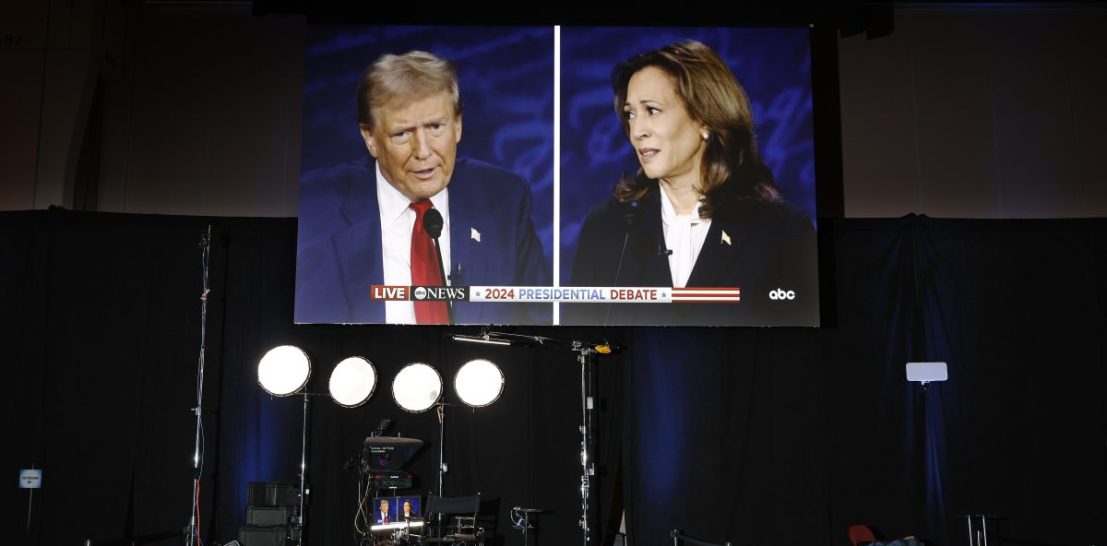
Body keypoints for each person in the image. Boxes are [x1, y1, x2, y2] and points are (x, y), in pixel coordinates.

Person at [566, 40, 818, 327]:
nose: (637, 131)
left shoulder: (781, 231)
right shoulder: (607, 227)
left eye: (652, 110)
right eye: (630, 114)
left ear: (705, 119)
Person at [295, 50, 549, 325]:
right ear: (370, 138)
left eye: (435, 127)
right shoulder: (316, 209)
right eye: (402, 133)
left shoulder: (503, 200)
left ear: (458, 125)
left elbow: (537, 320)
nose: (424, 151)